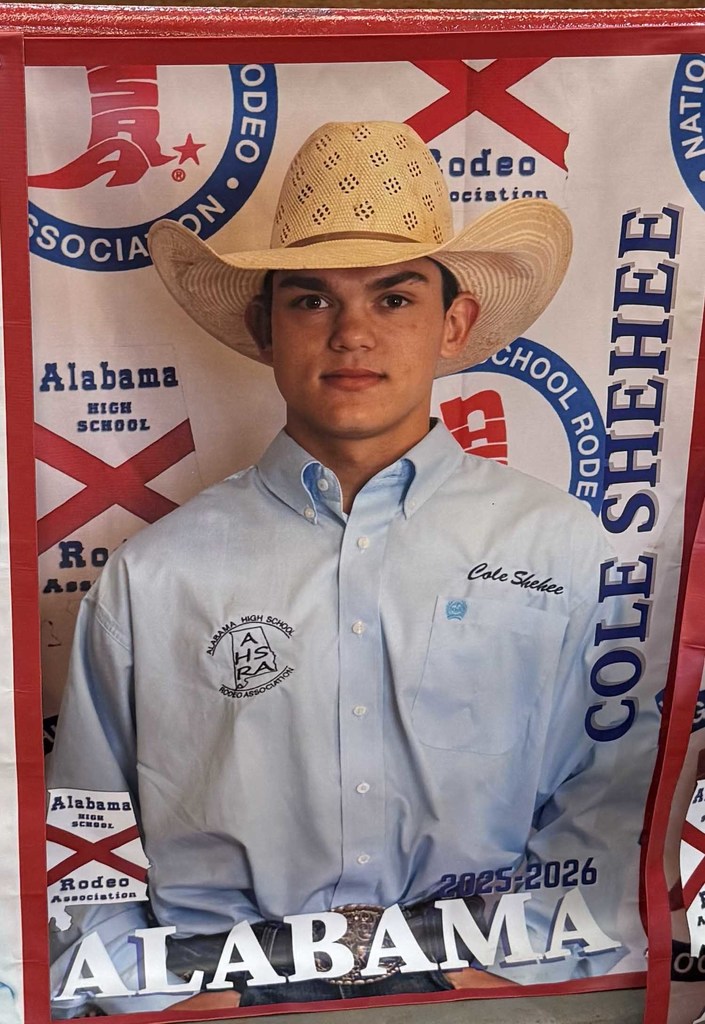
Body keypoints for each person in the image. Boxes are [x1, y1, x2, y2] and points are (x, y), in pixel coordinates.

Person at [48, 121, 630, 1017]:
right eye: (312, 300)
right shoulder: (153, 577)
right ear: (265, 326)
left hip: (486, 993)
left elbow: (612, 799)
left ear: (454, 323)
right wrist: (160, 1001)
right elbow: (87, 842)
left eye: (394, 298)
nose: (352, 334)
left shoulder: (557, 547)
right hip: (220, 998)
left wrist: (508, 990)